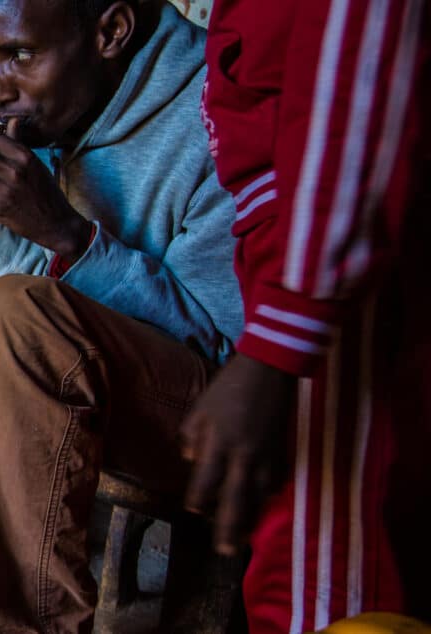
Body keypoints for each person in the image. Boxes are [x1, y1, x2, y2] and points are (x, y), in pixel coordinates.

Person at [0, 0, 242, 631]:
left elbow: (222, 351)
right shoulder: (74, 102)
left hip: (201, 417)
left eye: (20, 55)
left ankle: (30, 622)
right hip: (74, 361)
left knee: (15, 313)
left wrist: (65, 232)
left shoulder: (216, 116)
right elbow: (45, 292)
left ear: (111, 32)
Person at [184, 0, 430, 631]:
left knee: (322, 576)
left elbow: (355, 84)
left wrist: (276, 337)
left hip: (326, 266)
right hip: (293, 265)